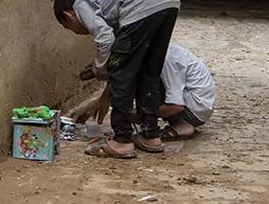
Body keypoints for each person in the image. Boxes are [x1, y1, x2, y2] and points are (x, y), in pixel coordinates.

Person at [54, 0, 181, 159]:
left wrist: (101, 68)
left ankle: (122, 140)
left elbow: (106, 42)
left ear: (68, 15)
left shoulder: (81, 3)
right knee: (148, 70)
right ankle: (150, 135)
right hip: (169, 0)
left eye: (68, 28)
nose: (76, 33)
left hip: (141, 3)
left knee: (121, 72)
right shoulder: (104, 5)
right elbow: (122, 49)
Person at [75, 43, 216, 140]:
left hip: (194, 109)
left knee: (142, 81)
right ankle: (180, 126)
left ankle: (180, 127)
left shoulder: (168, 61)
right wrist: (101, 100)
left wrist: (136, 115)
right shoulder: (155, 52)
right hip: (194, 105)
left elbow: (175, 106)